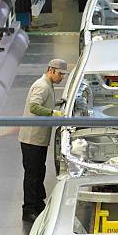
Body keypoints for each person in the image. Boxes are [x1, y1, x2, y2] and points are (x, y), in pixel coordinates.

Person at [18, 59, 69, 223]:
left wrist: (57, 104)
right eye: (60, 74)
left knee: (39, 171)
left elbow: (43, 103)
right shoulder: (42, 85)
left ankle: (38, 203)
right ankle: (28, 210)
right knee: (32, 174)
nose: (62, 77)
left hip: (39, 139)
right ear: (51, 70)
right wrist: (53, 113)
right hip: (31, 139)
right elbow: (34, 107)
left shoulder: (48, 85)